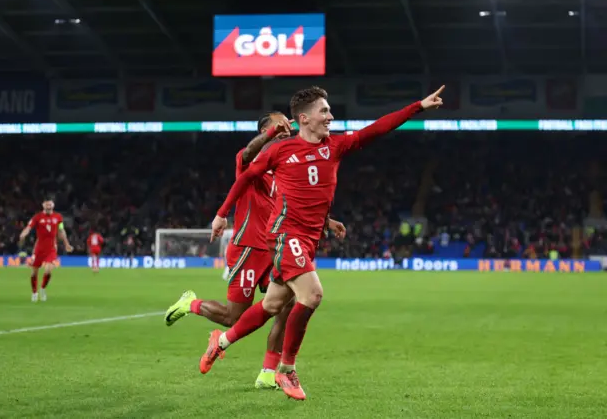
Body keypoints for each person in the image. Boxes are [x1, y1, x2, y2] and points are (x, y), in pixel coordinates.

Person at [206, 85, 445, 400]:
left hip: (307, 239)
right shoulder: (280, 151)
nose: (331, 116)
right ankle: (286, 370)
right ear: (304, 119)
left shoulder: (336, 146)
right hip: (282, 233)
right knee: (313, 294)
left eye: (330, 110)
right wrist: (222, 214)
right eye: (324, 111)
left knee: (273, 304)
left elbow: (378, 128)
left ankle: (220, 342)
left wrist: (418, 106)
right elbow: (246, 177)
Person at [165, 111, 345, 389]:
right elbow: (249, 151)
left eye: (287, 124)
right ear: (264, 131)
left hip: (276, 247)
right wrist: (271, 134)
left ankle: (267, 372)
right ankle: (191, 303)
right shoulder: (248, 162)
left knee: (286, 306)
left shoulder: (285, 167)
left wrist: (326, 221)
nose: (286, 128)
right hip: (249, 248)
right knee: (233, 316)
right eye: (278, 125)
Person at [19, 195, 74, 302]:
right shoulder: (37, 217)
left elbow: (61, 231)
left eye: (50, 204)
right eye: (46, 204)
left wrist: (67, 244)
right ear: (43, 205)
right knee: (34, 272)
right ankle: (34, 292)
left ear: (53, 205)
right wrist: (23, 234)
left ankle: (43, 288)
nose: (48, 206)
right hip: (39, 248)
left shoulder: (58, 217)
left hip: (51, 248)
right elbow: (28, 227)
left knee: (48, 270)